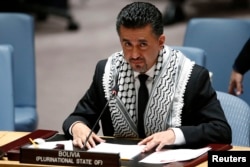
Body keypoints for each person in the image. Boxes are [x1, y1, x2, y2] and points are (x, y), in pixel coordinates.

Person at [63, 2, 231, 152]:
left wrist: (175, 135)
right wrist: (77, 126)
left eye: (143, 45)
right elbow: (78, 116)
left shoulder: (192, 76)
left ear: (160, 42)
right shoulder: (108, 72)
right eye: (127, 44)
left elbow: (221, 130)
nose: (134, 54)